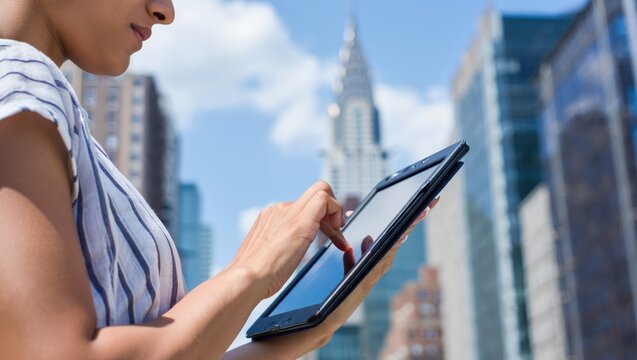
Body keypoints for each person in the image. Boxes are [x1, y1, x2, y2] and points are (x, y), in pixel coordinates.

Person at [0, 0, 436, 358]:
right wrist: (251, 270)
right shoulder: (18, 79)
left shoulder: (46, 103)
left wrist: (323, 321)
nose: (166, 11)